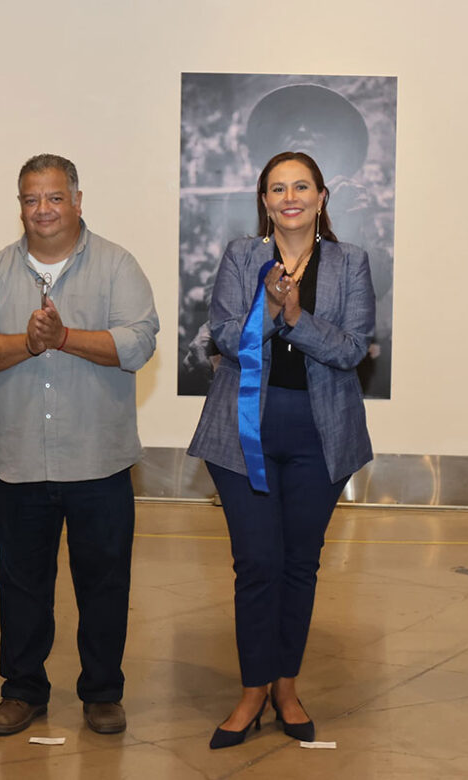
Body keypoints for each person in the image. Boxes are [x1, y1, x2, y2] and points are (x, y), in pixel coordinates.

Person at [0, 154, 159, 736]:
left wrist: (63, 337)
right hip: (19, 461)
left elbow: (139, 343)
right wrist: (27, 342)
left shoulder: (117, 265)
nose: (42, 209)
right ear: (20, 206)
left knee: (104, 585)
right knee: (20, 587)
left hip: (99, 461)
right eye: (30, 199)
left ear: (77, 200)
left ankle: (102, 693)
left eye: (54, 197)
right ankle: (22, 691)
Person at [188, 151, 374, 749]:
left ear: (321, 197)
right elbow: (223, 335)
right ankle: (252, 690)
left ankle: (286, 686)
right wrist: (269, 309)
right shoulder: (242, 256)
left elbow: (353, 348)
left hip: (321, 436)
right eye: (277, 188)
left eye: (301, 187)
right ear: (264, 201)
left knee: (299, 565)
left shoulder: (351, 261)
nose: (289, 197)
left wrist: (295, 316)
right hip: (242, 435)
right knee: (256, 565)